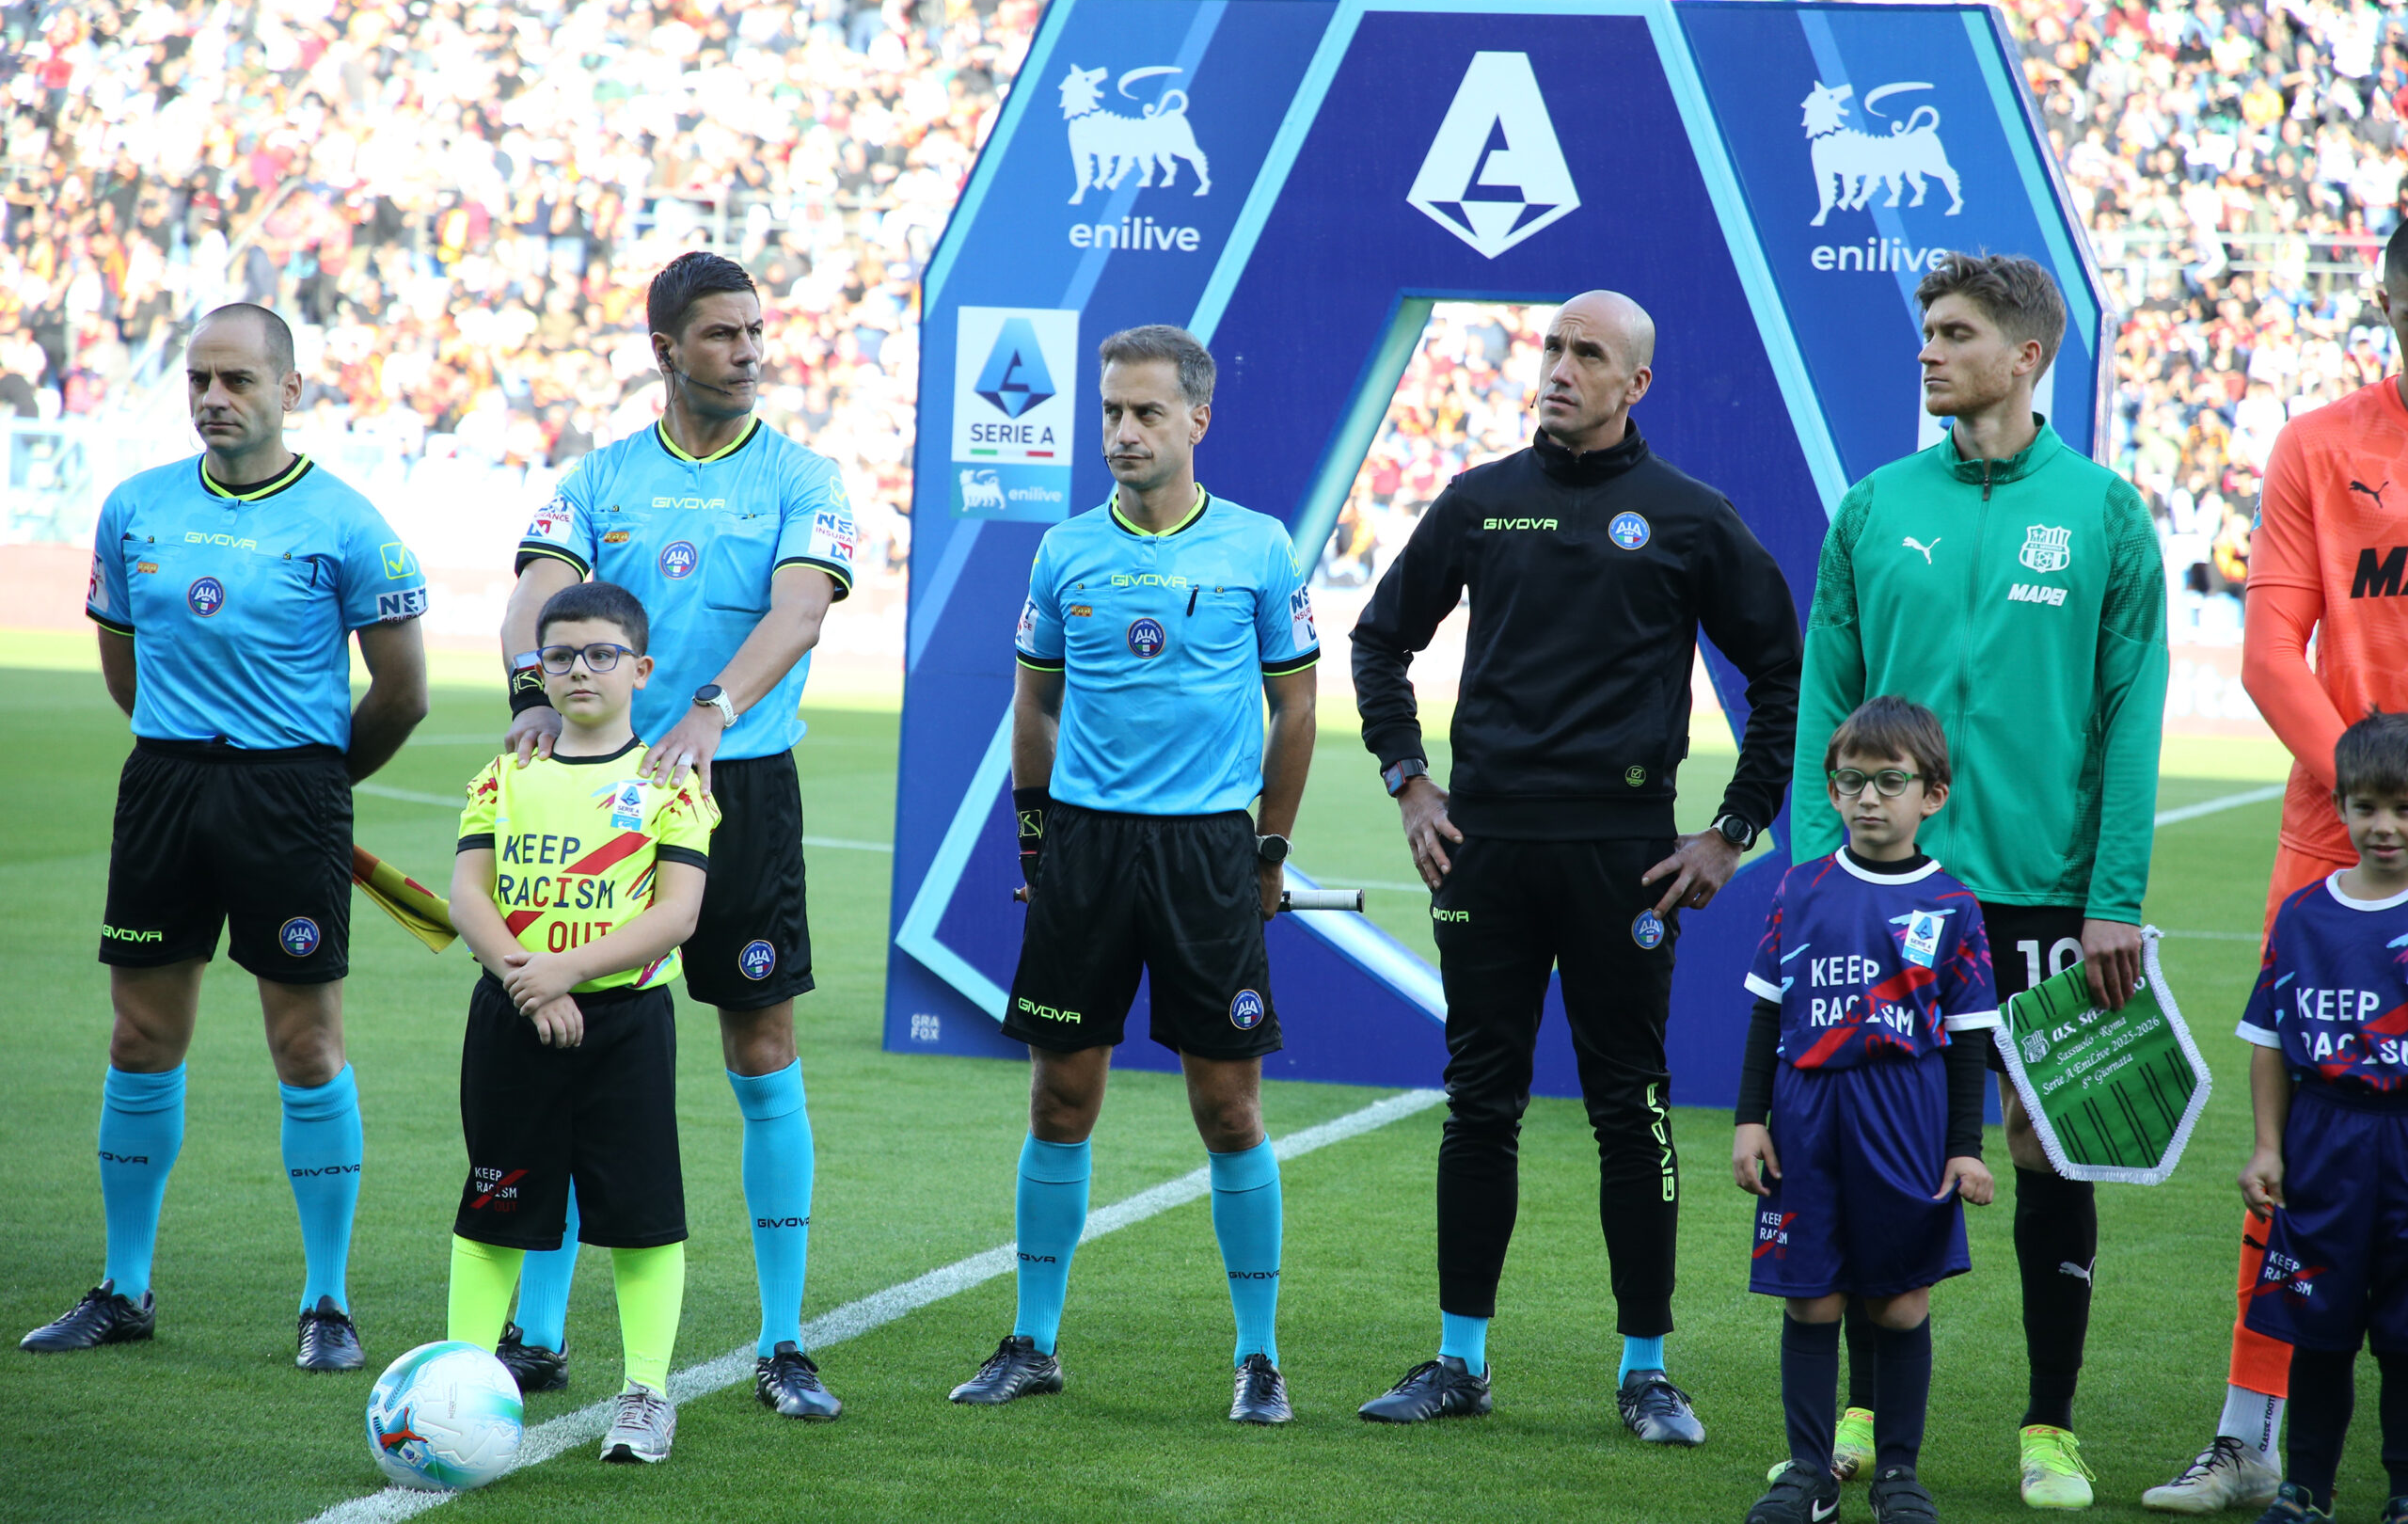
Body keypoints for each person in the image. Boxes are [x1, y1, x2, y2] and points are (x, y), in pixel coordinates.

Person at [1352, 290, 1804, 1441]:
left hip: (1622, 860)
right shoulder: (1479, 501)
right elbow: (1377, 639)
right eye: (1551, 347)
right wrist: (1410, 781)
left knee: (1630, 1107)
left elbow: (1783, 677)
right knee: (1478, 1107)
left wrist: (1732, 829)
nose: (1556, 366)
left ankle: (1645, 1372)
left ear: (1634, 384)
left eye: (1585, 353)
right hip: (1486, 853)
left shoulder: (1689, 517)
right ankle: (1459, 1361)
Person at [1790, 251, 2167, 1508]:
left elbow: (2131, 712)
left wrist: (2114, 891)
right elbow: (1824, 705)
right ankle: (1855, 1406)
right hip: (1882, 893)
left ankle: (2049, 1424)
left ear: (2027, 355)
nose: (1929, 350)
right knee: (1871, 1146)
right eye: (1927, 329)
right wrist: (1811, 870)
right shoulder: (1872, 504)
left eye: (1954, 333)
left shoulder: (2106, 513)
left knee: (2052, 1152)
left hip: (2049, 895)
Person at [22, 303, 429, 1368]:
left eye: (238, 380)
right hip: (163, 784)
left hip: (290, 794)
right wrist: (183, 758)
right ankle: (125, 1287)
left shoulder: (347, 522)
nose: (213, 397)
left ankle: (328, 1304)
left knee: (306, 1044)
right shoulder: (135, 508)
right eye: (200, 378)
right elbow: (126, 666)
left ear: (289, 391)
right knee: (139, 1040)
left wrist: (318, 785)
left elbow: (403, 690)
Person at [502, 251, 856, 1419]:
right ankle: (539, 1337)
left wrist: (714, 706)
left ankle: (784, 1341)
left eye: (756, 331)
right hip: (601, 801)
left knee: (760, 1051)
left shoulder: (803, 476)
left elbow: (800, 610)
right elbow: (539, 596)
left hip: (739, 786)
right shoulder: (599, 479)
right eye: (722, 335)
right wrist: (530, 695)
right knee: (570, 1041)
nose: (750, 351)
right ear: (666, 349)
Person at [946, 324, 1318, 1424]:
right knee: (1060, 1098)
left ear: (1197, 419)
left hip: (1207, 850)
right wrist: (1033, 842)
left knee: (1227, 1107)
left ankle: (1258, 1357)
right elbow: (1036, 705)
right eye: (1110, 411)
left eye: (1146, 411)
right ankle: (1033, 1340)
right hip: (1087, 850)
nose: (1122, 431)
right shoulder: (1065, 551)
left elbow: (1296, 706)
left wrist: (1267, 849)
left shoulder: (1256, 546)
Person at [2149, 219, 2408, 1516]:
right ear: (2389, 288)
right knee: (2303, 1140)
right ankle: (2251, 1434)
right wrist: (2378, 802)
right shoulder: (2320, 442)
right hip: (2339, 836)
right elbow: (2269, 652)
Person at [446, 580, 718, 1466]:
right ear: (539, 670)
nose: (579, 670)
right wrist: (529, 980)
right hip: (512, 1015)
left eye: (602, 654)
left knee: (640, 1217)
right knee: (494, 1204)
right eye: (559, 655)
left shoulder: (671, 784)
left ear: (640, 669)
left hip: (624, 1023)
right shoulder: (507, 771)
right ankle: (458, 1383)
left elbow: (675, 914)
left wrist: (563, 970)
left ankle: (645, 1393)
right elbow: (468, 894)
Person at [1736, 697, 1999, 1524]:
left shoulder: (1954, 905)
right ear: (1833, 788)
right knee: (1810, 1295)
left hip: (1904, 1116)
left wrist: (1964, 1147)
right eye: (1851, 781)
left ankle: (1897, 1474)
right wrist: (1751, 1118)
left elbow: (1964, 1042)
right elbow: (1767, 1011)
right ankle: (1810, 1474)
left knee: (1898, 1301)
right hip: (1806, 1114)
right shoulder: (1802, 886)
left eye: (1890, 781)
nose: (1868, 798)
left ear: (1933, 794)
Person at [2231, 711, 2408, 1524]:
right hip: (2324, 1140)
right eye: (2369, 805)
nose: (2387, 826)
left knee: (2405, 1334)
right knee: (2320, 1323)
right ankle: (2307, 1488)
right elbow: (2270, 1041)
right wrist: (2269, 1145)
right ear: (2338, 806)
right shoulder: (2304, 915)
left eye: (2405, 807)